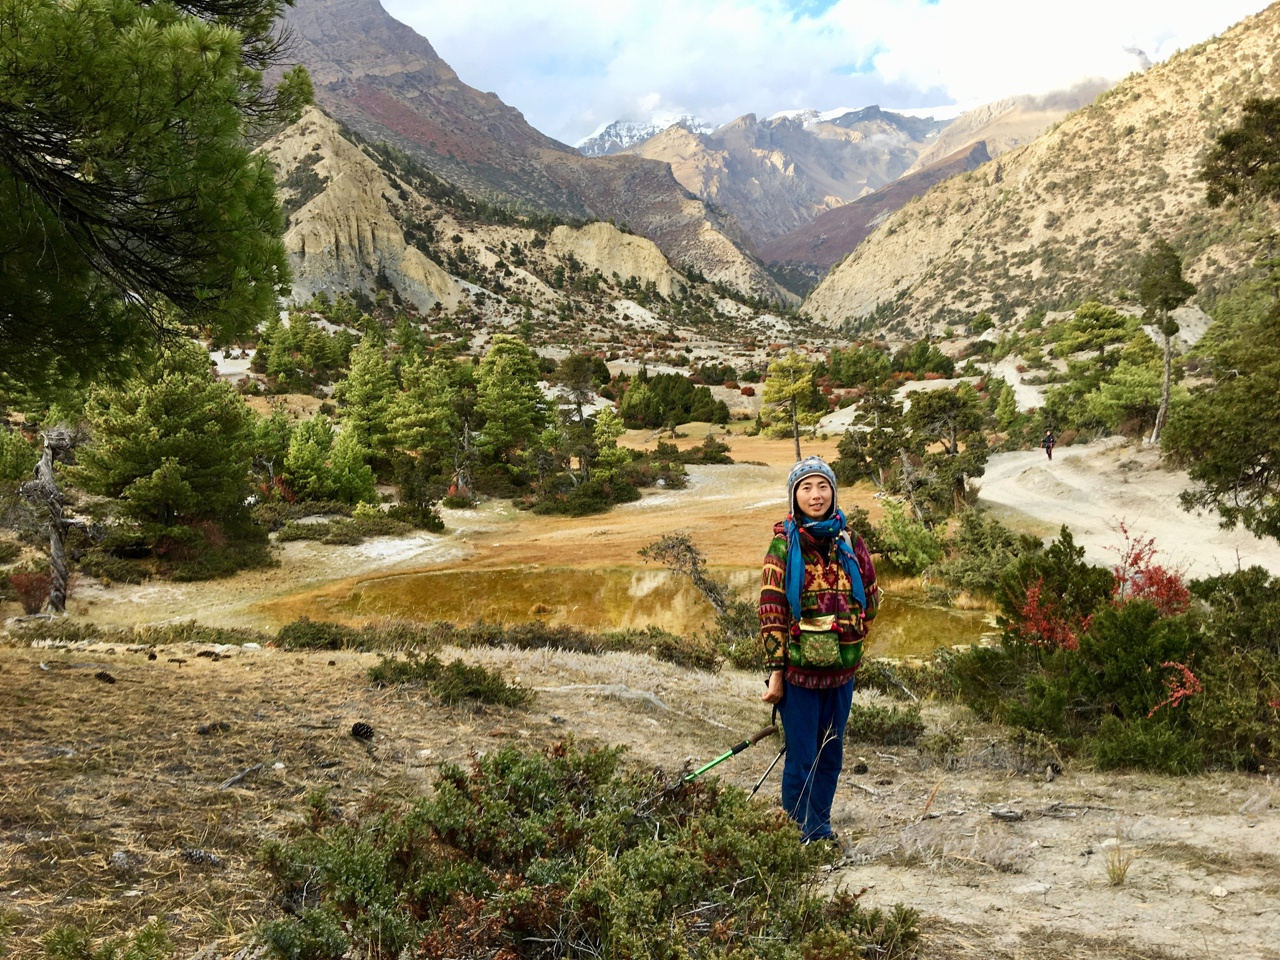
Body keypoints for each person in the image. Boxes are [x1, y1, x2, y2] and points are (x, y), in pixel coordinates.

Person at [759, 456, 879, 845]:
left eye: (823, 486)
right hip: (799, 676)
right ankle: (795, 835)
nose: (816, 495)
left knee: (830, 755)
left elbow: (872, 599)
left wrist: (851, 633)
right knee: (801, 757)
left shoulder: (852, 542)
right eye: (806, 487)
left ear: (833, 491)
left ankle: (819, 829)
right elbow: (772, 610)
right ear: (794, 495)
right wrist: (776, 674)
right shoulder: (783, 544)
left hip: (842, 674)